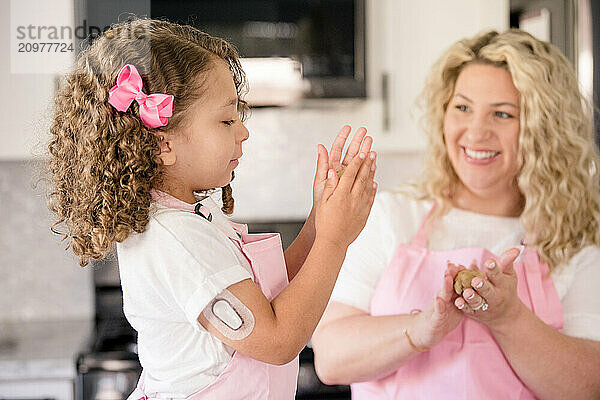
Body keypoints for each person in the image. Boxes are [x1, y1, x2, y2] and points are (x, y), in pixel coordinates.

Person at [45, 18, 378, 399]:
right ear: (162, 145)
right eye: (226, 119)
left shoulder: (188, 219)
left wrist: (320, 222)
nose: (243, 131)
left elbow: (268, 300)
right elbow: (278, 340)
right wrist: (335, 241)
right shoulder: (177, 238)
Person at [312, 29, 600, 400]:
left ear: (544, 129)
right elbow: (332, 359)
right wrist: (420, 329)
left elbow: (588, 386)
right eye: (462, 107)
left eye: (502, 114)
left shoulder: (575, 243)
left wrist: (508, 317)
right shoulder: (393, 216)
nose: (476, 132)